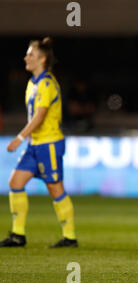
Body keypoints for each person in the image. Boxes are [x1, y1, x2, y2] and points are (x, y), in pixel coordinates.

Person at [0, 37, 78, 248]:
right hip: (35, 145)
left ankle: (69, 237)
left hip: (49, 144)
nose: (26, 57)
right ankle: (18, 235)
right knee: (15, 183)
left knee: (55, 188)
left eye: (31, 54)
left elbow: (40, 116)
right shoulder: (32, 83)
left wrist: (19, 138)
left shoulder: (47, 83)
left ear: (42, 59)